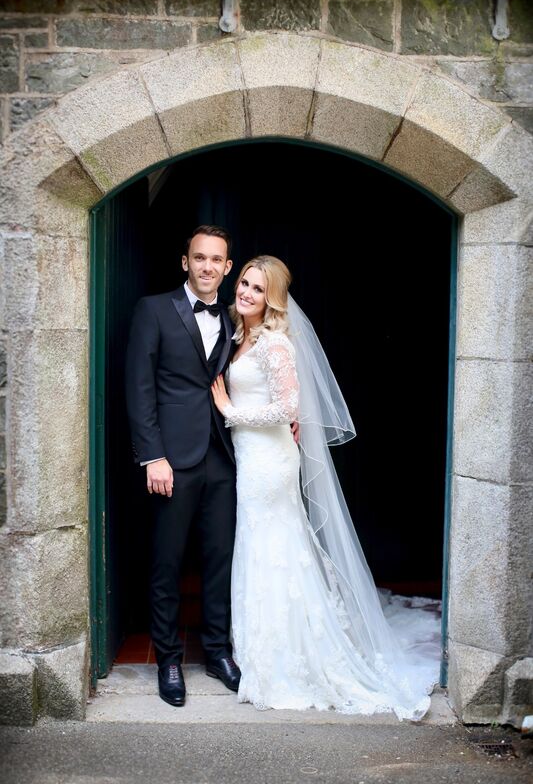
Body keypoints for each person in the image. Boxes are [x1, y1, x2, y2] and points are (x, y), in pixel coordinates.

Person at [211, 255, 440, 720]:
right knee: (262, 546)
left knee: (272, 547)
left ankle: (284, 657)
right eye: (244, 284)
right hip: (252, 458)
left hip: (270, 461)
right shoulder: (240, 336)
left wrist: (230, 412)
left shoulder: (275, 343)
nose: (246, 293)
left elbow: (287, 405)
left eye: (257, 288)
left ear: (272, 297)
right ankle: (262, 647)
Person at [125, 225, 241, 707]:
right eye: (200, 258)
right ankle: (169, 659)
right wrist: (153, 455)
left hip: (224, 455)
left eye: (217, 259)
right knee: (167, 562)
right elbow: (139, 386)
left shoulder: (239, 316)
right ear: (185, 262)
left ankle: (217, 651)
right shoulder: (153, 309)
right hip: (171, 459)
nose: (208, 266)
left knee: (219, 559)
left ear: (228, 267)